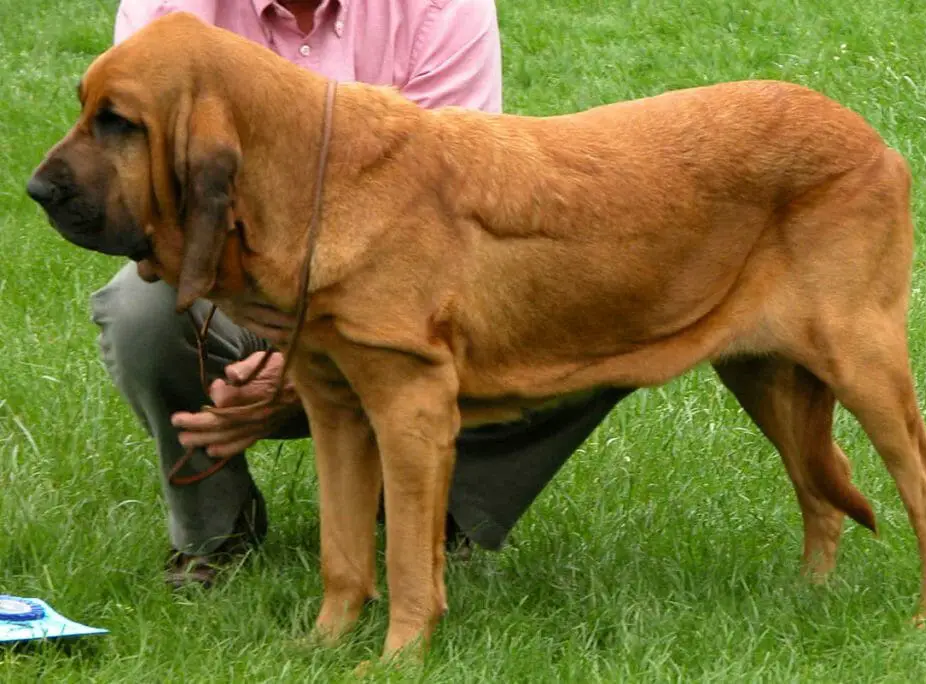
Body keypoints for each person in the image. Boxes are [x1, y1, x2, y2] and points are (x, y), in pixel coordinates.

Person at [91, 0, 633, 588]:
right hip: (232, 283)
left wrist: (307, 364)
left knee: (595, 305)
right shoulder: (165, 11)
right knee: (139, 311)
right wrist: (296, 348)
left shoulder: (442, 8)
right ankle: (216, 534)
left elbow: (453, 230)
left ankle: (438, 514)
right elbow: (152, 205)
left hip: (400, 295)